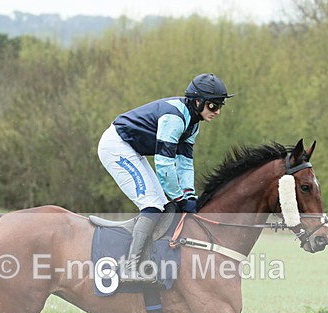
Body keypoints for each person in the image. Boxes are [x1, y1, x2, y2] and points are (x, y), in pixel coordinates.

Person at [98, 73, 234, 283]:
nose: (217, 112)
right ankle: (129, 268)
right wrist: (180, 198)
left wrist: (189, 195)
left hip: (132, 150)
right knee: (152, 205)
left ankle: (148, 259)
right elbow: (163, 166)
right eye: (214, 106)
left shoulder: (193, 124)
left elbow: (185, 163)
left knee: (164, 205)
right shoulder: (175, 119)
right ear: (198, 102)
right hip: (117, 147)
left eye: (220, 106)